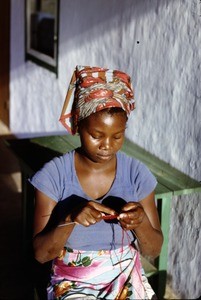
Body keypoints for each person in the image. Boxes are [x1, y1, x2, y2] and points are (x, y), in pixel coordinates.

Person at [30, 65, 163, 300]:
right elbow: (41, 254)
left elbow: (153, 250)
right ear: (78, 125)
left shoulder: (136, 174)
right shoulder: (54, 175)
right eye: (96, 136)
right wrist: (70, 218)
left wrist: (140, 223)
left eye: (117, 136)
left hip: (125, 277)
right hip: (73, 280)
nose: (107, 146)